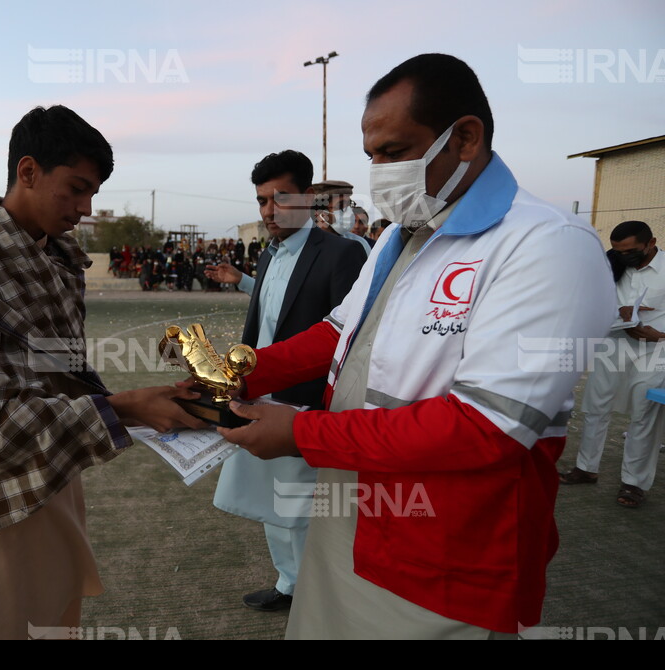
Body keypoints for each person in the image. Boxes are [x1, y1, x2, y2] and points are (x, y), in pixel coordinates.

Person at [213, 53, 617, 639]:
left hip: (446, 550)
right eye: (372, 156)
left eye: (396, 152)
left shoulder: (547, 245)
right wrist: (236, 374)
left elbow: (489, 428)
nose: (380, 172)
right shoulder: (403, 237)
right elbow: (336, 336)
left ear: (466, 138)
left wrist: (300, 433)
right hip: (352, 506)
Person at [0, 104, 204, 641]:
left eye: (93, 194)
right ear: (28, 171)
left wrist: (144, 402)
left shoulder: (55, 259)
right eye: (76, 189)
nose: (85, 208)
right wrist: (122, 408)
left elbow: (60, 379)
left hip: (51, 479)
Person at [205, 150, 366, 612]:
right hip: (262, 394)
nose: (269, 211)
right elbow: (267, 322)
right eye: (261, 201)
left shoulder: (342, 252)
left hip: (309, 405)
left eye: (280, 198)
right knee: (270, 502)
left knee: (307, 507)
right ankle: (289, 583)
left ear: (308, 197)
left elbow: (348, 339)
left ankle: (322, 592)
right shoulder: (271, 254)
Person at [560, 220, 665, 508]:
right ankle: (586, 468)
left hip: (654, 352)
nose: (623, 256)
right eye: (618, 250)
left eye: (630, 251)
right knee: (595, 408)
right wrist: (616, 312)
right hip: (613, 345)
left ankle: (634, 484)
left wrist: (660, 335)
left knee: (643, 417)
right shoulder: (612, 266)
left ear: (651, 243)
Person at [312, 180, 371, 257]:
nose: (348, 211)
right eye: (340, 205)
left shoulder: (360, 243)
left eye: (349, 204)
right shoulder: (305, 244)